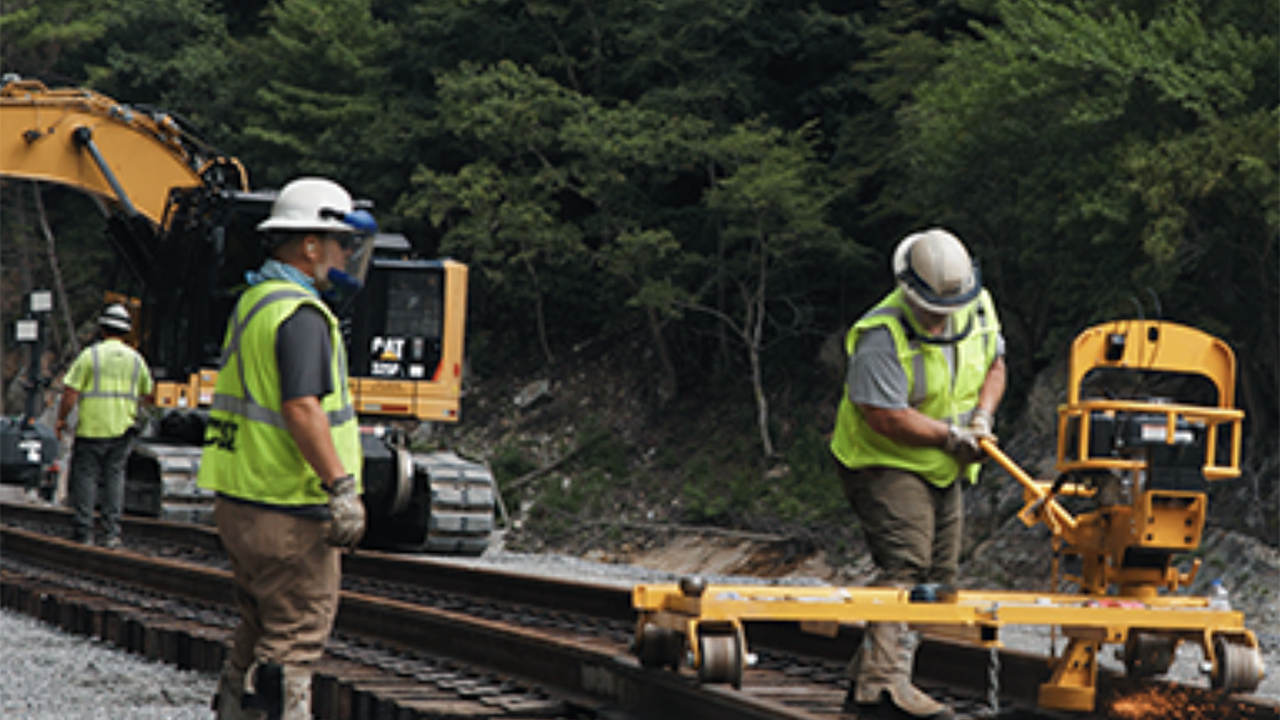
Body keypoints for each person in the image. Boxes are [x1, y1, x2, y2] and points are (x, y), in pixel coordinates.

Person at [198, 177, 372, 720]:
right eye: (342, 243)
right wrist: (341, 488)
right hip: (288, 511)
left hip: (243, 501)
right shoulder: (301, 313)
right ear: (311, 246)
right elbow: (302, 407)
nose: (348, 256)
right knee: (293, 642)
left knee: (256, 629)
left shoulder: (256, 301)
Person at [829, 228, 1006, 720]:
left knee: (939, 580)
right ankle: (882, 691)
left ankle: (868, 679)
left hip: (943, 463)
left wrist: (983, 417)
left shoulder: (979, 307)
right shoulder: (880, 336)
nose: (941, 320)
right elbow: (884, 416)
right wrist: (952, 436)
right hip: (882, 459)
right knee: (907, 566)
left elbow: (995, 364)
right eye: (932, 310)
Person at [56, 303, 154, 548]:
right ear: (126, 331)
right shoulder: (136, 360)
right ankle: (111, 533)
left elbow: (70, 391)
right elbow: (148, 394)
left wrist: (62, 418)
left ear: (101, 328)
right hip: (122, 429)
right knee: (114, 477)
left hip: (92, 427)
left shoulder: (91, 356)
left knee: (86, 476)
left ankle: (84, 531)